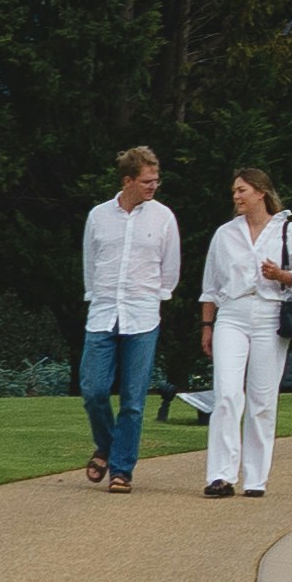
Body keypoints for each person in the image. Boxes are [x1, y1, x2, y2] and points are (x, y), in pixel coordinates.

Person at [200, 167, 292, 498]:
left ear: (260, 193)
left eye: (242, 190)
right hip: (232, 316)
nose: (236, 196)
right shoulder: (225, 234)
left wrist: (282, 275)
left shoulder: (288, 231)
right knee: (225, 393)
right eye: (234, 191)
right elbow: (210, 287)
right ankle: (221, 475)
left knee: (262, 398)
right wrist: (207, 326)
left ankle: (255, 478)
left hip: (270, 316)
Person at [77, 146, 178, 491]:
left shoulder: (163, 217)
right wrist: (97, 295)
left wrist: (155, 298)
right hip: (104, 312)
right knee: (93, 389)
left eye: (156, 180)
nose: (153, 186)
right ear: (128, 180)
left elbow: (170, 269)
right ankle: (106, 446)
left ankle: (121, 470)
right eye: (147, 181)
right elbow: (91, 264)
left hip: (142, 316)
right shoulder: (99, 216)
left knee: (133, 400)